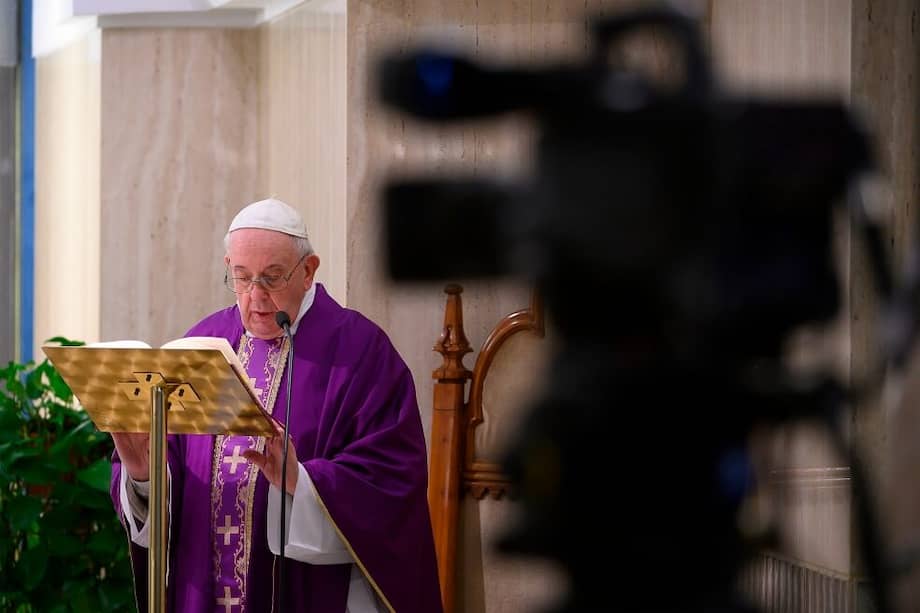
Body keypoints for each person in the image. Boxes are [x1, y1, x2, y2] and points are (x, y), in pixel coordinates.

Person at [109, 197, 443, 612]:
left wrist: (299, 481)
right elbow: (170, 480)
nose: (256, 295)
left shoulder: (361, 352)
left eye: (272, 277)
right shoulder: (200, 346)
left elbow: (392, 481)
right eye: (242, 277)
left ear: (308, 271)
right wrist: (142, 470)